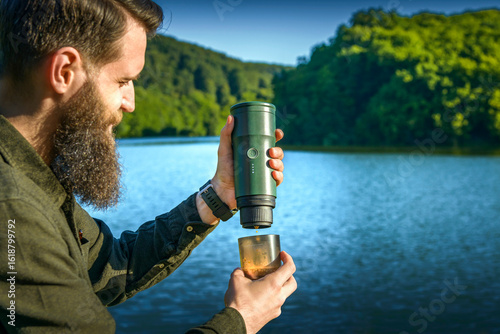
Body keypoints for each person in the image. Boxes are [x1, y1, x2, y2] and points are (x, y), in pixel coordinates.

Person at [0, 1, 297, 333]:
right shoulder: (13, 208)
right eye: (123, 81)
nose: (131, 103)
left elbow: (111, 266)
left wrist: (218, 194)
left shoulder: (34, 177)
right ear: (64, 71)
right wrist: (241, 320)